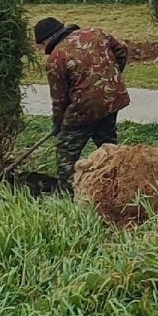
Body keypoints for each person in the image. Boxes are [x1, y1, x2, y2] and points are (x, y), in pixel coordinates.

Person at [35, 16, 132, 190]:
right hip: (112, 98)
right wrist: (113, 75)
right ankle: (118, 183)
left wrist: (58, 123)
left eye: (42, 45)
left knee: (66, 152)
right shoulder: (96, 32)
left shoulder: (56, 58)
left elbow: (59, 98)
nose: (44, 48)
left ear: (47, 39)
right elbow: (122, 49)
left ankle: (67, 194)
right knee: (107, 144)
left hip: (83, 110)